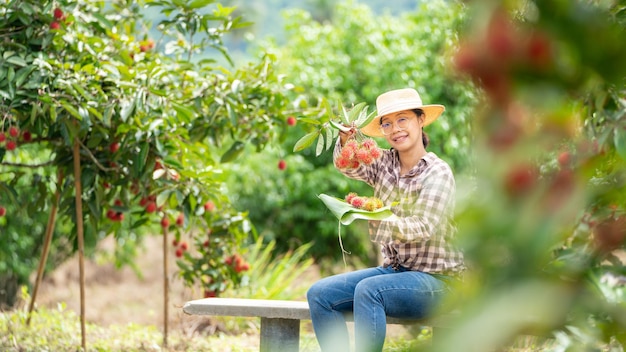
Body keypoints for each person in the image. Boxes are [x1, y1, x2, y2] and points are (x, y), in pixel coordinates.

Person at [307, 88, 465, 352]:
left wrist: (377, 216)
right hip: (395, 272)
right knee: (319, 294)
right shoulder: (384, 162)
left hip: (440, 282)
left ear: (420, 120)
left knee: (370, 291)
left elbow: (423, 226)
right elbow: (348, 165)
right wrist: (346, 141)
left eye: (403, 119)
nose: (396, 129)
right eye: (387, 123)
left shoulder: (438, 172)